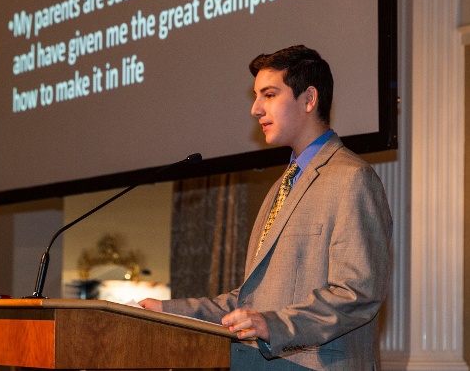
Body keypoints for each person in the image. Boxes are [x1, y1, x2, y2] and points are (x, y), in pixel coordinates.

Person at [139, 45, 392, 370]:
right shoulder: (280, 188)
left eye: (269, 95)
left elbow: (357, 294)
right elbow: (250, 302)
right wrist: (167, 311)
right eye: (257, 97)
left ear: (309, 98)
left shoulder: (352, 179)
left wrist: (273, 326)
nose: (255, 109)